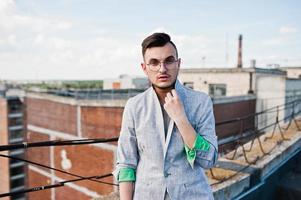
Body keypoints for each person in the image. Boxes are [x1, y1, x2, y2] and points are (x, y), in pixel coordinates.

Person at [113, 32, 218, 200]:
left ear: (178, 63)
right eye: (154, 62)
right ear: (144, 68)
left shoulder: (201, 102)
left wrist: (181, 119)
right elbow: (126, 164)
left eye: (169, 60)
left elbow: (209, 160)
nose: (162, 69)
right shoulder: (134, 106)